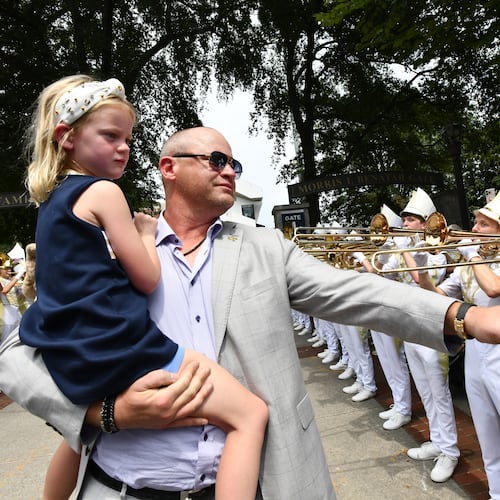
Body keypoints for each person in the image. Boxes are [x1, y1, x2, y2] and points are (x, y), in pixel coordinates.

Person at [2, 126, 500, 500]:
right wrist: (103, 413)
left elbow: (356, 291)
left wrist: (463, 318)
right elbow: (16, 353)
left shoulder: (263, 247)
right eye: (216, 159)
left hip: (260, 484)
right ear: (168, 168)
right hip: (121, 488)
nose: (230, 171)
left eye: (234, 164)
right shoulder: (112, 247)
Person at [19, 76, 268, 500]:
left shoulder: (50, 203)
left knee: (75, 436)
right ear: (67, 137)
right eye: (111, 135)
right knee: (250, 414)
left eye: (128, 138)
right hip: (120, 346)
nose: (124, 147)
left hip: (73, 351)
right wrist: (146, 233)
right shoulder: (103, 191)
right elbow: (148, 277)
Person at [417, 191, 500, 498]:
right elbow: (441, 297)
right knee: (487, 432)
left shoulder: (481, 259)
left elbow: (493, 288)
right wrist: (424, 274)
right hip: (477, 351)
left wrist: (473, 254)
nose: (474, 228)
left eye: (484, 224)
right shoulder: (471, 262)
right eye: (475, 222)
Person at [386, 189, 460, 482]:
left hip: (432, 327)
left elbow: (422, 279)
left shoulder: (436, 248)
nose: (404, 223)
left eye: (410, 219)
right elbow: (385, 275)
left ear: (426, 222)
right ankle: (437, 440)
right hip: (410, 325)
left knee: (439, 391)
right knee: (425, 389)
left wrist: (404, 249)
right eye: (403, 218)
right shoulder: (405, 246)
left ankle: (450, 451)